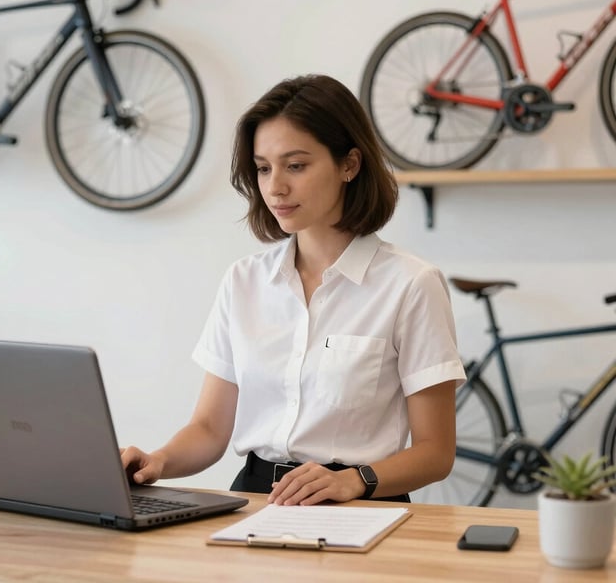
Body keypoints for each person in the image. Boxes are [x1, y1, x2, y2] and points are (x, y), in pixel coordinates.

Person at [120, 74, 466, 506]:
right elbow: (209, 429)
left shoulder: (411, 284)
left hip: (360, 506)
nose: (274, 186)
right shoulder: (243, 281)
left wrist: (355, 480)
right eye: (264, 168)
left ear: (349, 165)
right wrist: (157, 461)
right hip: (255, 502)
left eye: (296, 165)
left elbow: (436, 452)